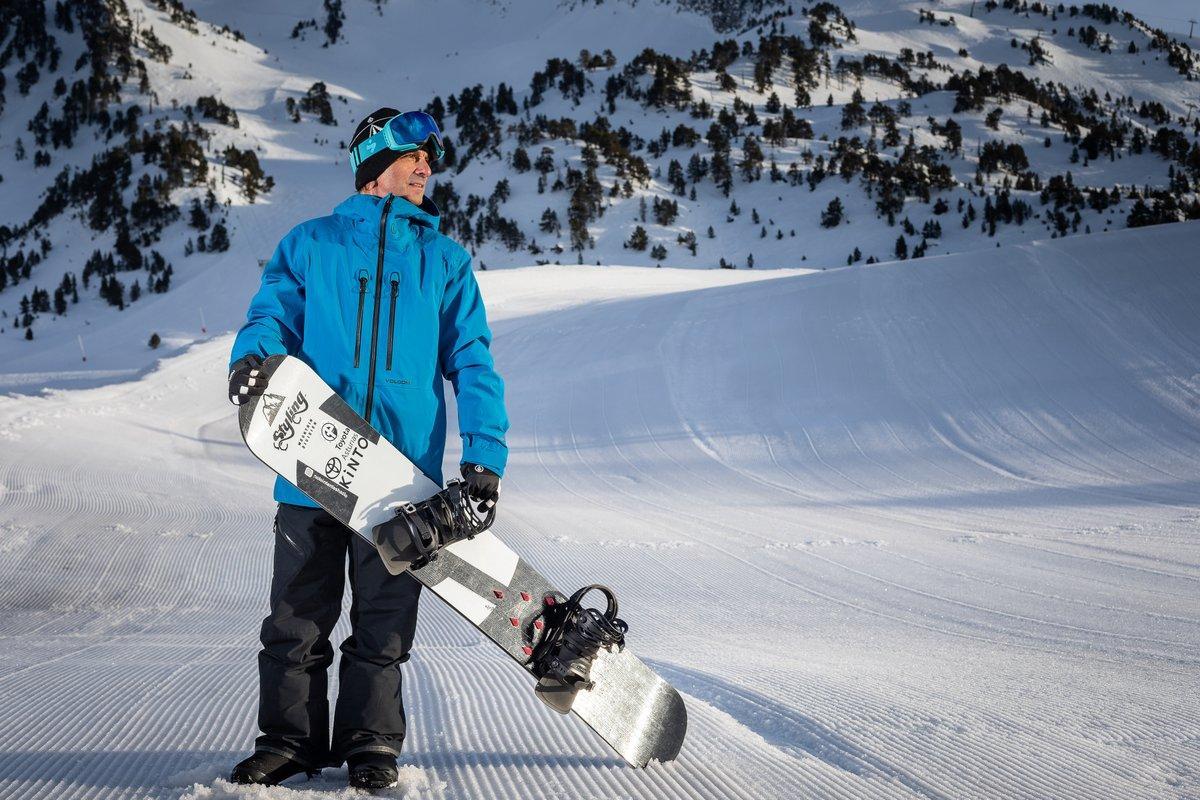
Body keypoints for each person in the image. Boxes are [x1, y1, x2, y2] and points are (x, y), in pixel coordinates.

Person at [225, 108, 508, 790]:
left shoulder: (443, 259)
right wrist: (252, 360)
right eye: (416, 155)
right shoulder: (311, 244)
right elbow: (269, 316)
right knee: (295, 621)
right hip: (310, 467)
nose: (427, 169)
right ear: (376, 162)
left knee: (382, 629)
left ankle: (370, 746)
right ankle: (288, 742)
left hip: (398, 481)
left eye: (430, 160)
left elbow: (472, 360)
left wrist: (482, 459)